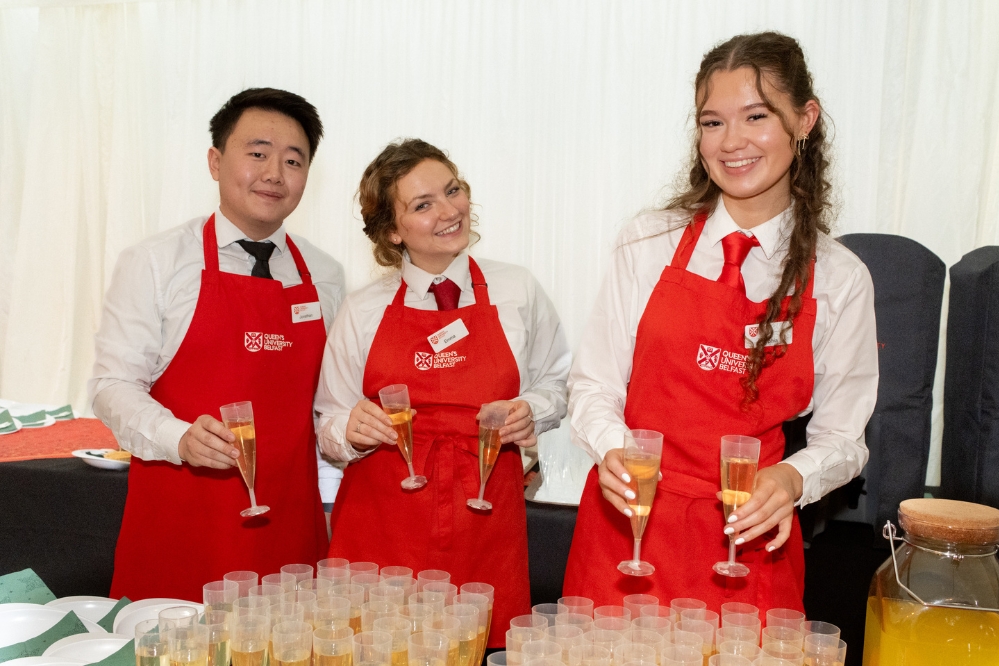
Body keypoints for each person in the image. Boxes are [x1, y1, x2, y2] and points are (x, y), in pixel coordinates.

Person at [562, 32, 878, 611]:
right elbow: (593, 384)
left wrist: (791, 480)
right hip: (629, 524)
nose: (731, 142)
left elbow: (843, 438)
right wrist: (612, 450)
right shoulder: (649, 240)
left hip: (752, 535)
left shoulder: (839, 277)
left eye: (755, 116)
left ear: (804, 119)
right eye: (712, 123)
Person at [89, 88, 345, 602]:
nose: (275, 172)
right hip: (180, 528)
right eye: (257, 153)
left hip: (289, 542)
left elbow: (330, 408)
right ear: (214, 161)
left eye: (293, 160)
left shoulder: (326, 276)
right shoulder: (156, 262)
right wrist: (178, 436)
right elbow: (111, 385)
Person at [315, 139, 570, 645]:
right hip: (384, 527)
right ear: (392, 231)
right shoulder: (363, 310)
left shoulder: (516, 289)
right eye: (423, 204)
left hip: (485, 521)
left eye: (453, 190)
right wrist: (350, 428)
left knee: (478, 650)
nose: (450, 210)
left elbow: (556, 384)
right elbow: (327, 423)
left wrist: (532, 412)